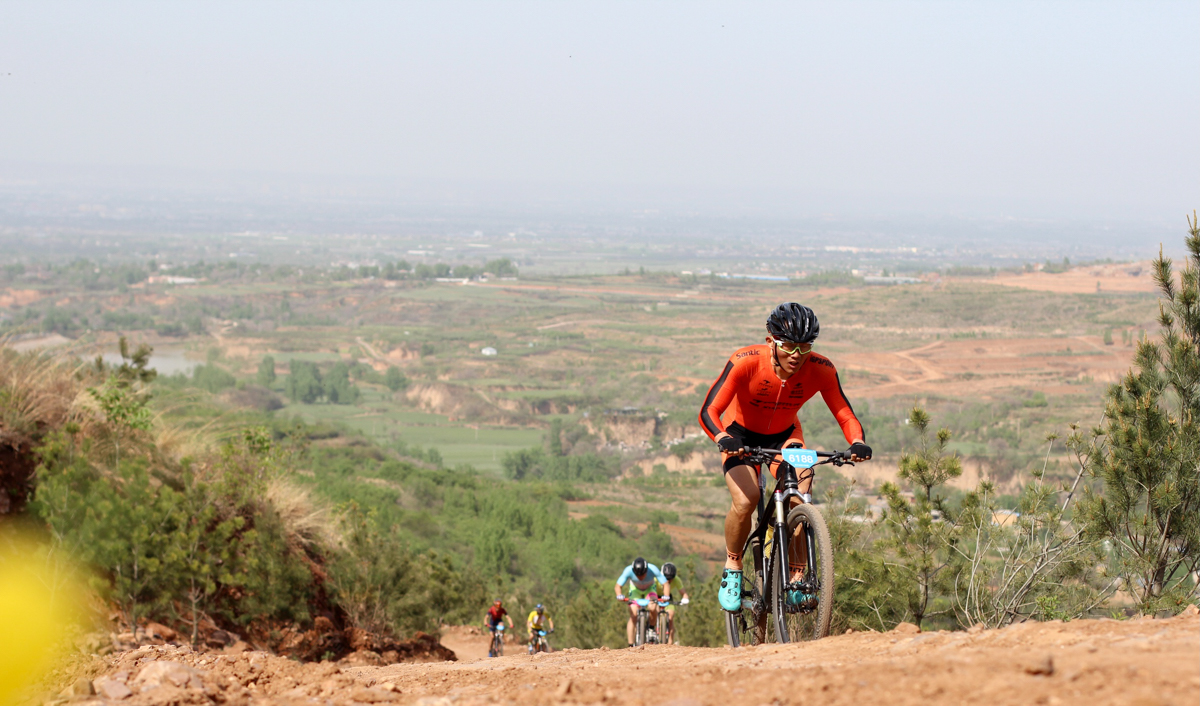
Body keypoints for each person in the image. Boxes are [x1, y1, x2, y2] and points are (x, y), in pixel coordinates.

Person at [698, 303, 871, 612]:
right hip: (740, 436)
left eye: (804, 347)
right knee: (746, 500)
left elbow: (844, 413)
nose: (796, 355)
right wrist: (723, 437)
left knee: (799, 497)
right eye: (788, 346)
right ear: (770, 342)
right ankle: (733, 565)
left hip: (785, 436)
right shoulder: (744, 362)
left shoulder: (821, 368)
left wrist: (857, 442)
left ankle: (797, 575)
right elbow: (709, 410)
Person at [613, 557, 670, 646]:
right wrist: (619, 594)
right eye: (637, 575)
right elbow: (618, 586)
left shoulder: (653, 569)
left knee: (652, 607)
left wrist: (666, 595)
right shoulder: (628, 570)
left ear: (646, 570)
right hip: (635, 590)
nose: (640, 577)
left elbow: (665, 584)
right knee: (633, 614)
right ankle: (630, 644)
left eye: (642, 574)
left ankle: (651, 628)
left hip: (650, 589)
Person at [656, 562, 690, 644]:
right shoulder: (656, 578)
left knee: (670, 617)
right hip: (656, 597)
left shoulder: (676, 580)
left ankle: (670, 641)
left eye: (671, 578)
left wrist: (685, 598)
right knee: (654, 612)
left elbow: (683, 593)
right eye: (666, 578)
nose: (669, 580)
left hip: (668, 598)